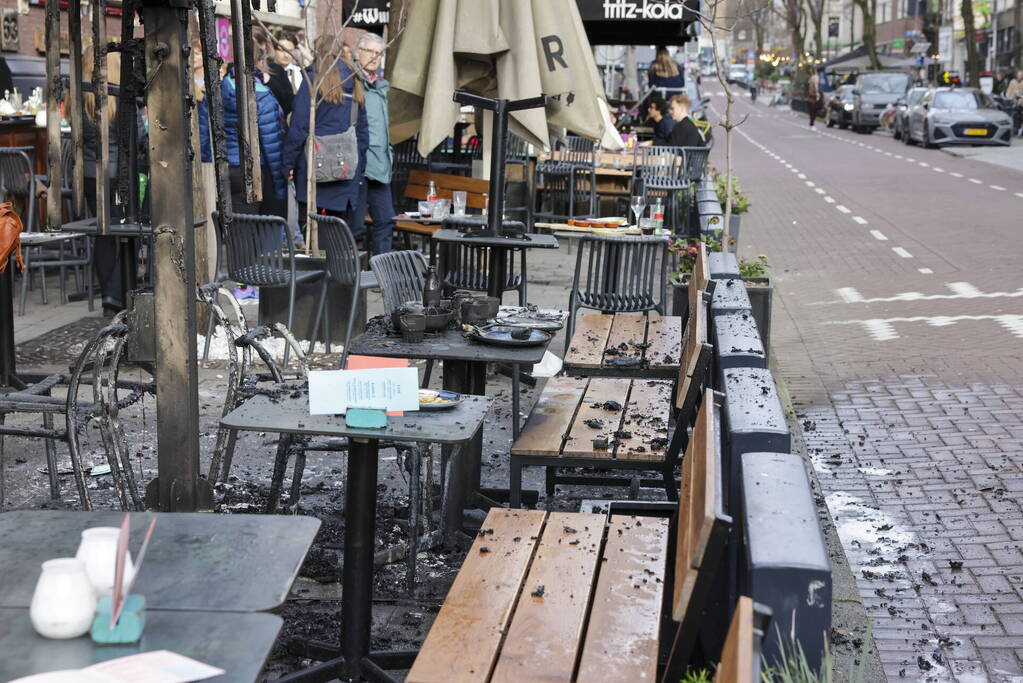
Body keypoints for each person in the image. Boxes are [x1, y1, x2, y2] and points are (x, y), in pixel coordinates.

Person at [75, 46, 148, 316]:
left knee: (103, 235)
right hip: (120, 179)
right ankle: (117, 293)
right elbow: (140, 138)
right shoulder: (123, 101)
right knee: (131, 231)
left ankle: (109, 294)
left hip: (92, 177)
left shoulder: (82, 99)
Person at [283, 36, 369, 234]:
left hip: (314, 167)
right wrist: (360, 168)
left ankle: (318, 261)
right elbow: (363, 133)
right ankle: (337, 264)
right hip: (346, 168)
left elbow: (299, 127)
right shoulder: (354, 80)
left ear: (316, 53)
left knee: (311, 228)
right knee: (339, 233)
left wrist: (287, 163)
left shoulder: (312, 81)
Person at [349, 33, 394, 256]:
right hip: (359, 165)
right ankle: (350, 279)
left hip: (381, 166)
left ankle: (381, 277)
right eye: (370, 51)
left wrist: (390, 153)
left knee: (385, 221)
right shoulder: (350, 81)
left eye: (379, 53)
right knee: (354, 227)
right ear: (358, 54)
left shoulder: (383, 87)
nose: (375, 57)